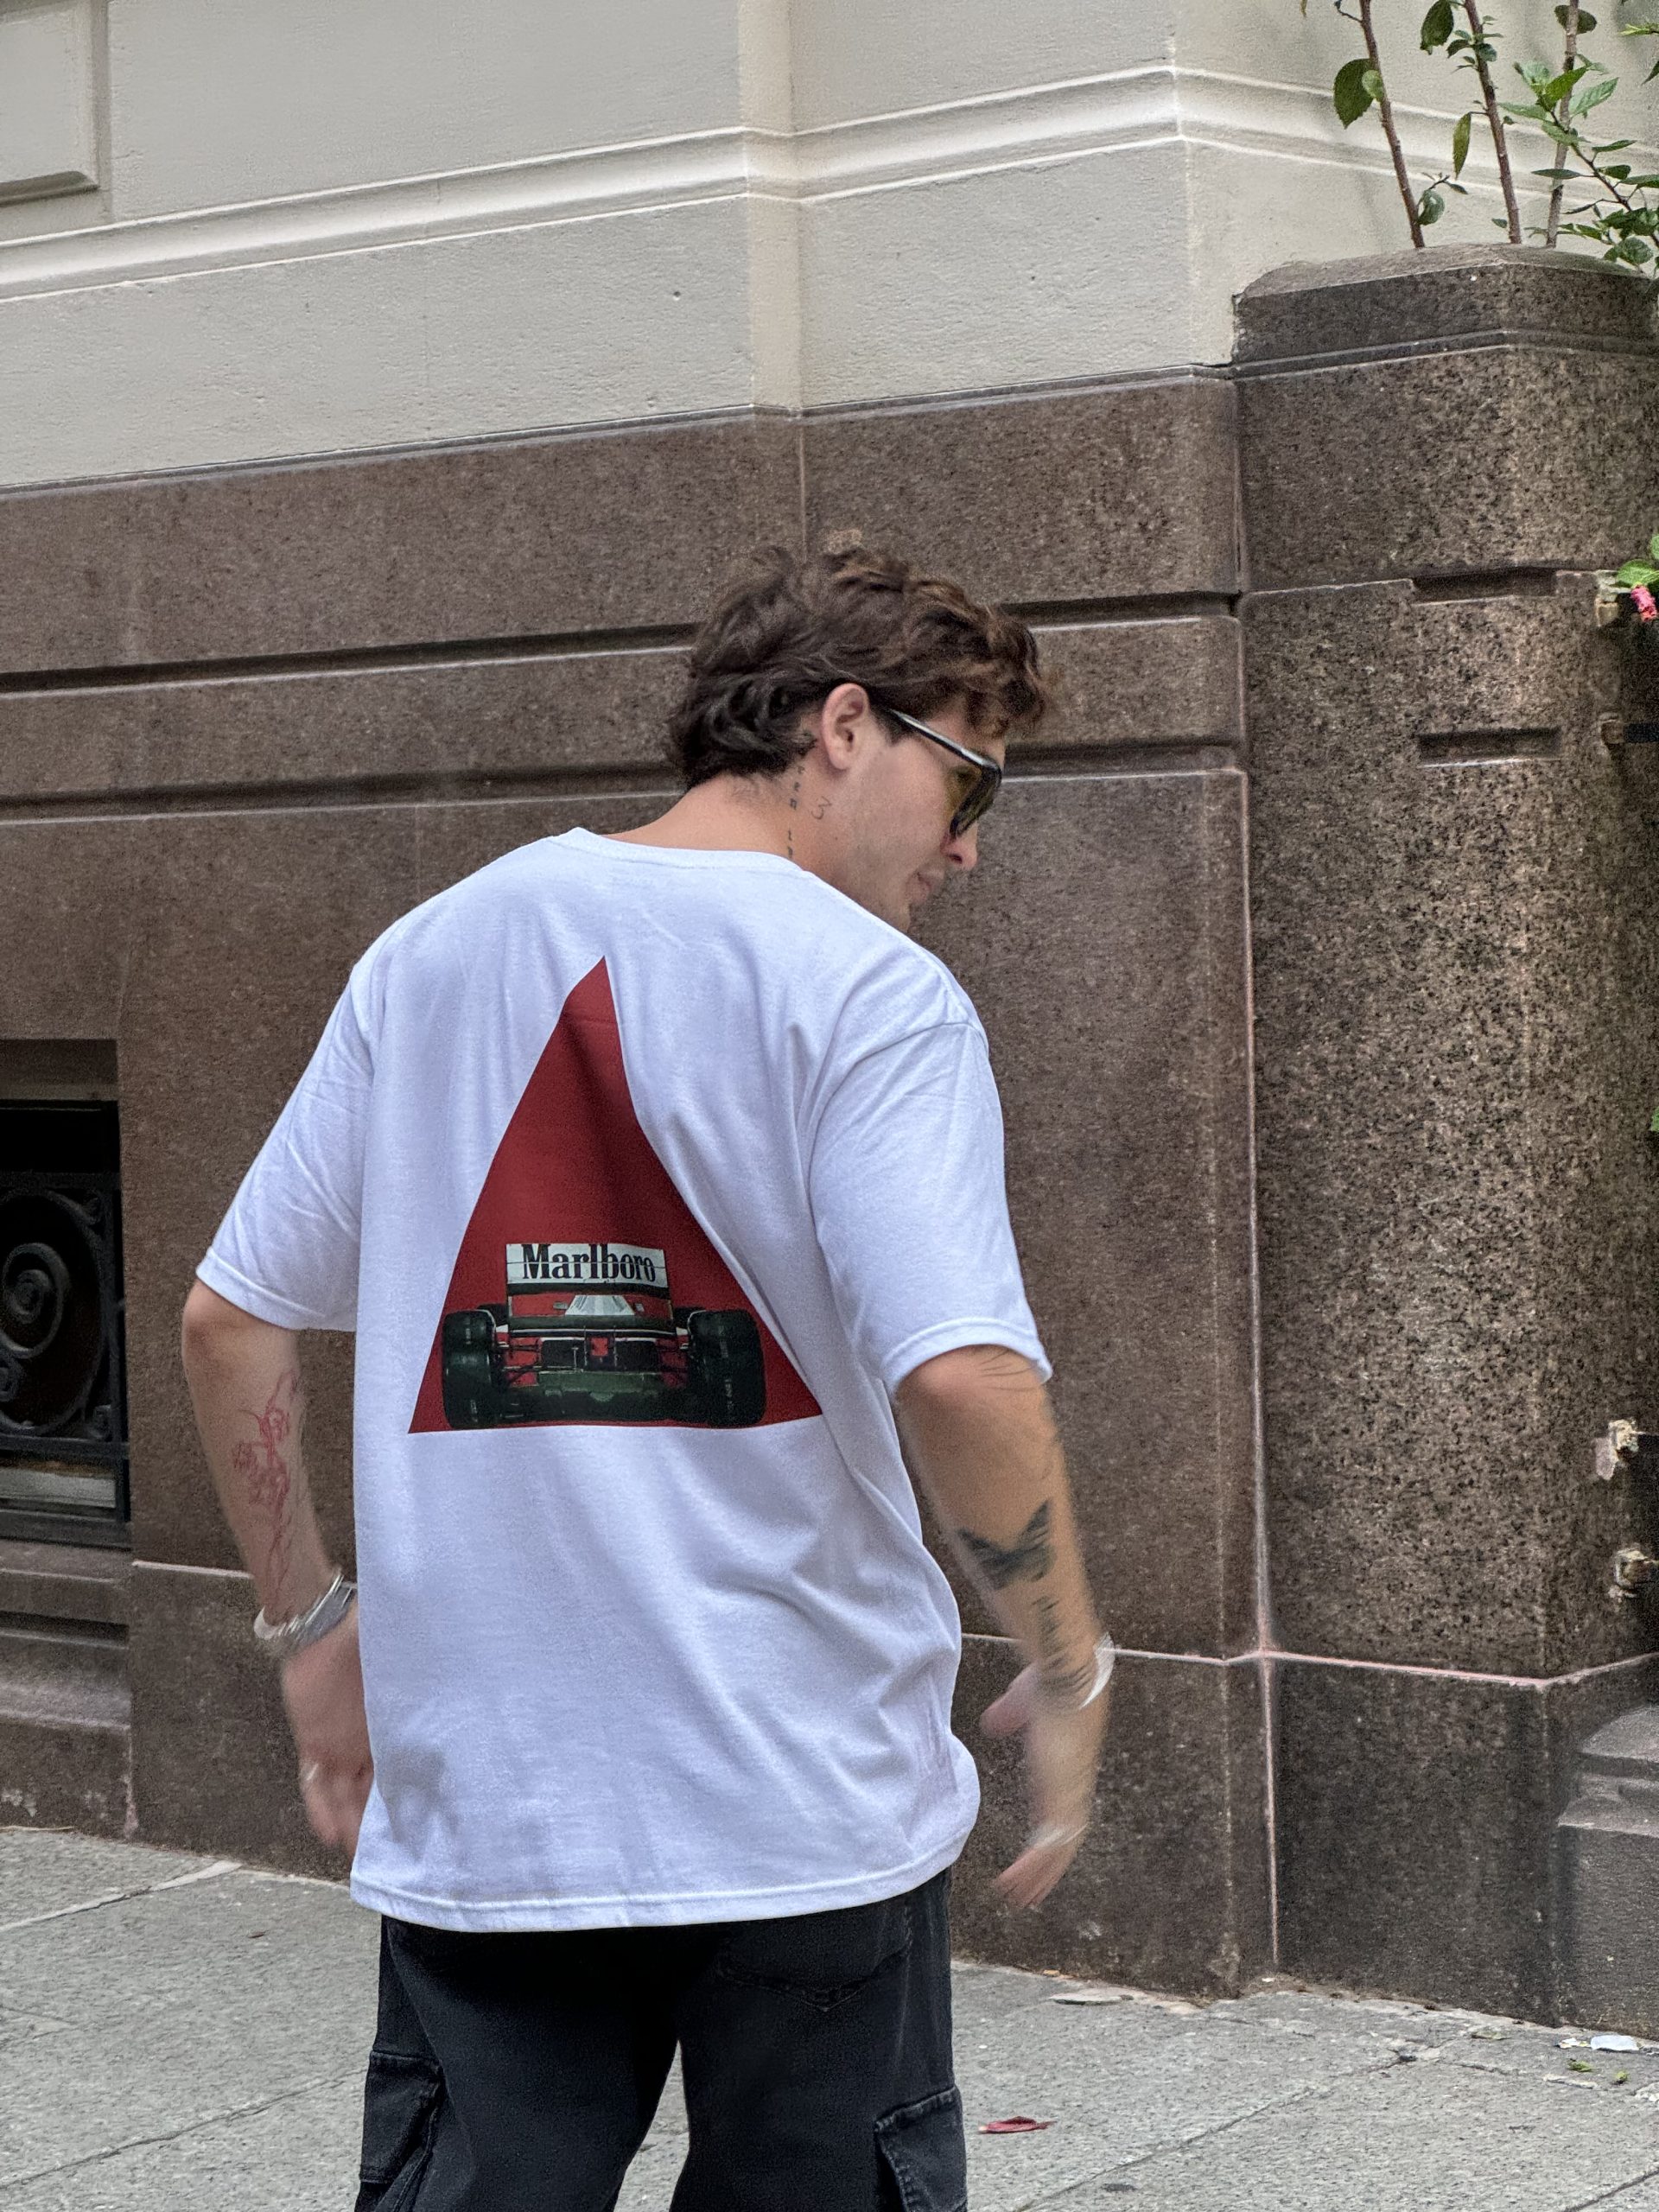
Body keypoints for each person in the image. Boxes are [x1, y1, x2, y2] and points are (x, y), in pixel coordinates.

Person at [181, 545, 1110, 2212]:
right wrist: (1069, 1658)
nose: (969, 842)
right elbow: (963, 1381)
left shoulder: (431, 951)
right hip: (803, 1796)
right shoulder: (873, 996)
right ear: (844, 726)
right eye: (968, 779)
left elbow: (227, 1321)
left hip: (494, 1810)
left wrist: (310, 1632)